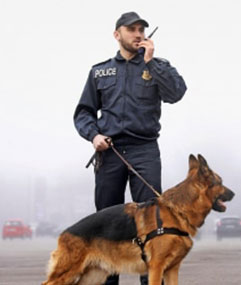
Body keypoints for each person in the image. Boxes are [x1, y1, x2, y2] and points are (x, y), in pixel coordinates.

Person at [73, 11, 187, 285]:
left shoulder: (157, 66)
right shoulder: (100, 71)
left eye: (141, 30)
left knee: (151, 222)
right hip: (109, 152)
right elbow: (83, 113)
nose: (138, 34)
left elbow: (176, 93)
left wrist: (151, 62)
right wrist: (94, 135)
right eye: (132, 29)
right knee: (107, 223)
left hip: (144, 150)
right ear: (117, 34)